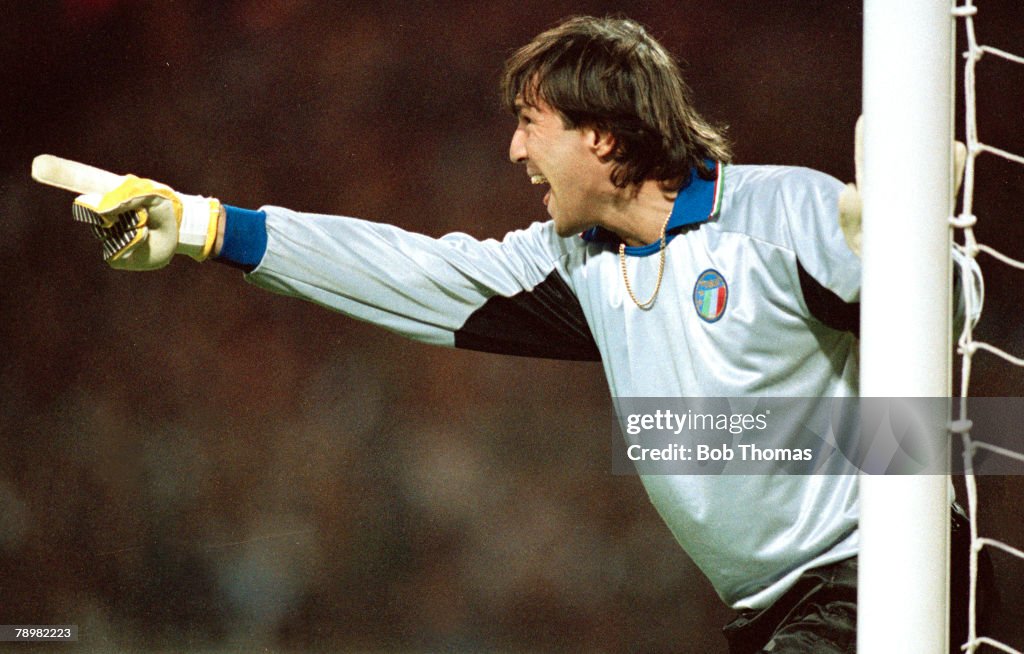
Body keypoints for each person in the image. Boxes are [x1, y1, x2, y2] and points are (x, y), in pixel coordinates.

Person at [38, 15, 970, 654]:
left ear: (604, 137)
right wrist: (204, 225)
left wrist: (916, 257)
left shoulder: (782, 213)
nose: (515, 152)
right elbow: (403, 267)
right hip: (773, 614)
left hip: (877, 573)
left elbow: (951, 330)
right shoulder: (580, 266)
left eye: (532, 125)